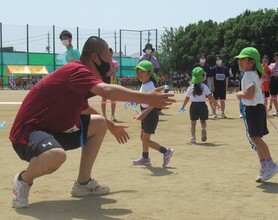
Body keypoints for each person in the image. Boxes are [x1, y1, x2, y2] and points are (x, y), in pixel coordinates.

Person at [9, 36, 175, 208]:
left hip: (54, 130)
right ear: (95, 58)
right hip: (28, 132)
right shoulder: (78, 70)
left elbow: (84, 109)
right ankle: (22, 181)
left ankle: (83, 183)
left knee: (99, 123)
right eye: (108, 59)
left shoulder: (81, 80)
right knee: (56, 156)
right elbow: (106, 91)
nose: (111, 65)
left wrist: (112, 127)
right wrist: (148, 98)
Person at [235, 47, 278, 182]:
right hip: (255, 109)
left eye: (243, 59)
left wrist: (239, 94)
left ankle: (271, 164)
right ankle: (263, 166)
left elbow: (249, 94)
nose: (240, 62)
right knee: (256, 139)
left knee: (256, 139)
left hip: (254, 110)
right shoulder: (252, 74)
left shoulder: (249, 75)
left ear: (251, 62)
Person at [131, 60, 174, 167]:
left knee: (146, 139)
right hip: (145, 113)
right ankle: (145, 158)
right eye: (138, 72)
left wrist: (143, 113)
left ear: (149, 73)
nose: (139, 75)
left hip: (150, 115)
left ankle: (166, 151)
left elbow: (153, 103)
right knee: (143, 137)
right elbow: (144, 98)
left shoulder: (149, 85)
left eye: (142, 72)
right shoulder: (144, 84)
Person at [180, 67, 218, 144]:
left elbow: (187, 98)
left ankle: (193, 138)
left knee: (193, 123)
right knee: (203, 121)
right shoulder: (204, 86)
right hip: (202, 105)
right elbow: (210, 96)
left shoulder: (191, 87)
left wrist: (182, 107)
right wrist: (215, 103)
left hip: (194, 106)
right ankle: (203, 129)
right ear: (202, 77)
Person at [101, 47, 119, 122]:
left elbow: (114, 70)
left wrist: (109, 63)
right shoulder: (102, 62)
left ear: (112, 54)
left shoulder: (115, 62)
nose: (108, 55)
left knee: (113, 98)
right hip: (105, 79)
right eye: (106, 53)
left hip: (112, 80)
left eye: (109, 54)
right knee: (104, 98)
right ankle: (104, 115)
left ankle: (113, 115)